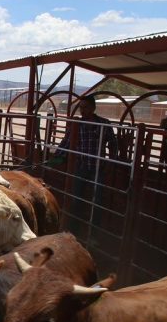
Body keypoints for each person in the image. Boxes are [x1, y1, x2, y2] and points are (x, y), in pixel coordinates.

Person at [49, 96, 118, 234]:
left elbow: (113, 143)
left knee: (97, 201)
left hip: (98, 168)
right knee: (76, 199)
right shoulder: (77, 124)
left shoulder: (104, 124)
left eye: (85, 107)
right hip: (81, 166)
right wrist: (56, 158)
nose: (82, 110)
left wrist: (111, 163)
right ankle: (75, 230)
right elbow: (66, 143)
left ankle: (94, 233)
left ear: (93, 108)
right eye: (81, 107)